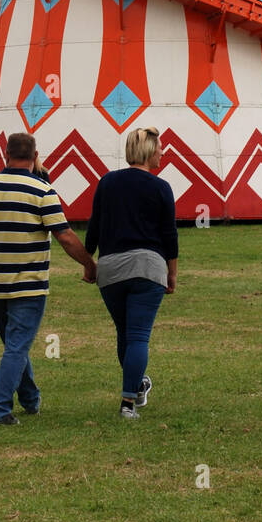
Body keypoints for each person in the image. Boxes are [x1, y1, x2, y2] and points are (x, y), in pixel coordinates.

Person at [0, 131, 96, 426]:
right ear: (36, 156)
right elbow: (64, 235)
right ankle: (0, 409)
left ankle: (30, 399)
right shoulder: (42, 191)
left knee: (14, 344)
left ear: (5, 155)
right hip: (28, 281)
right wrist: (89, 264)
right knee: (17, 346)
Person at [85, 126, 178, 421]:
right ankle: (128, 402)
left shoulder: (107, 182)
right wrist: (172, 272)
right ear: (149, 151)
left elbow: (95, 226)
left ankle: (136, 385)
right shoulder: (161, 187)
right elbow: (169, 235)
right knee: (139, 336)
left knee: (125, 334)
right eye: (160, 148)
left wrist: (88, 262)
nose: (163, 152)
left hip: (111, 268)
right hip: (148, 266)